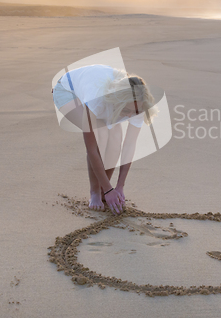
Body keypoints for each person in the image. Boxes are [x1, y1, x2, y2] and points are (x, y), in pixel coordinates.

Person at [52, 64, 157, 214]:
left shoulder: (138, 104)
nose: (129, 116)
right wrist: (109, 190)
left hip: (98, 96)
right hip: (68, 91)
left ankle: (103, 189)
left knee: (115, 138)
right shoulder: (98, 99)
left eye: (134, 112)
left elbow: (129, 145)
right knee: (100, 134)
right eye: (126, 111)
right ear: (117, 102)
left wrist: (119, 186)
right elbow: (92, 149)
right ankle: (95, 192)